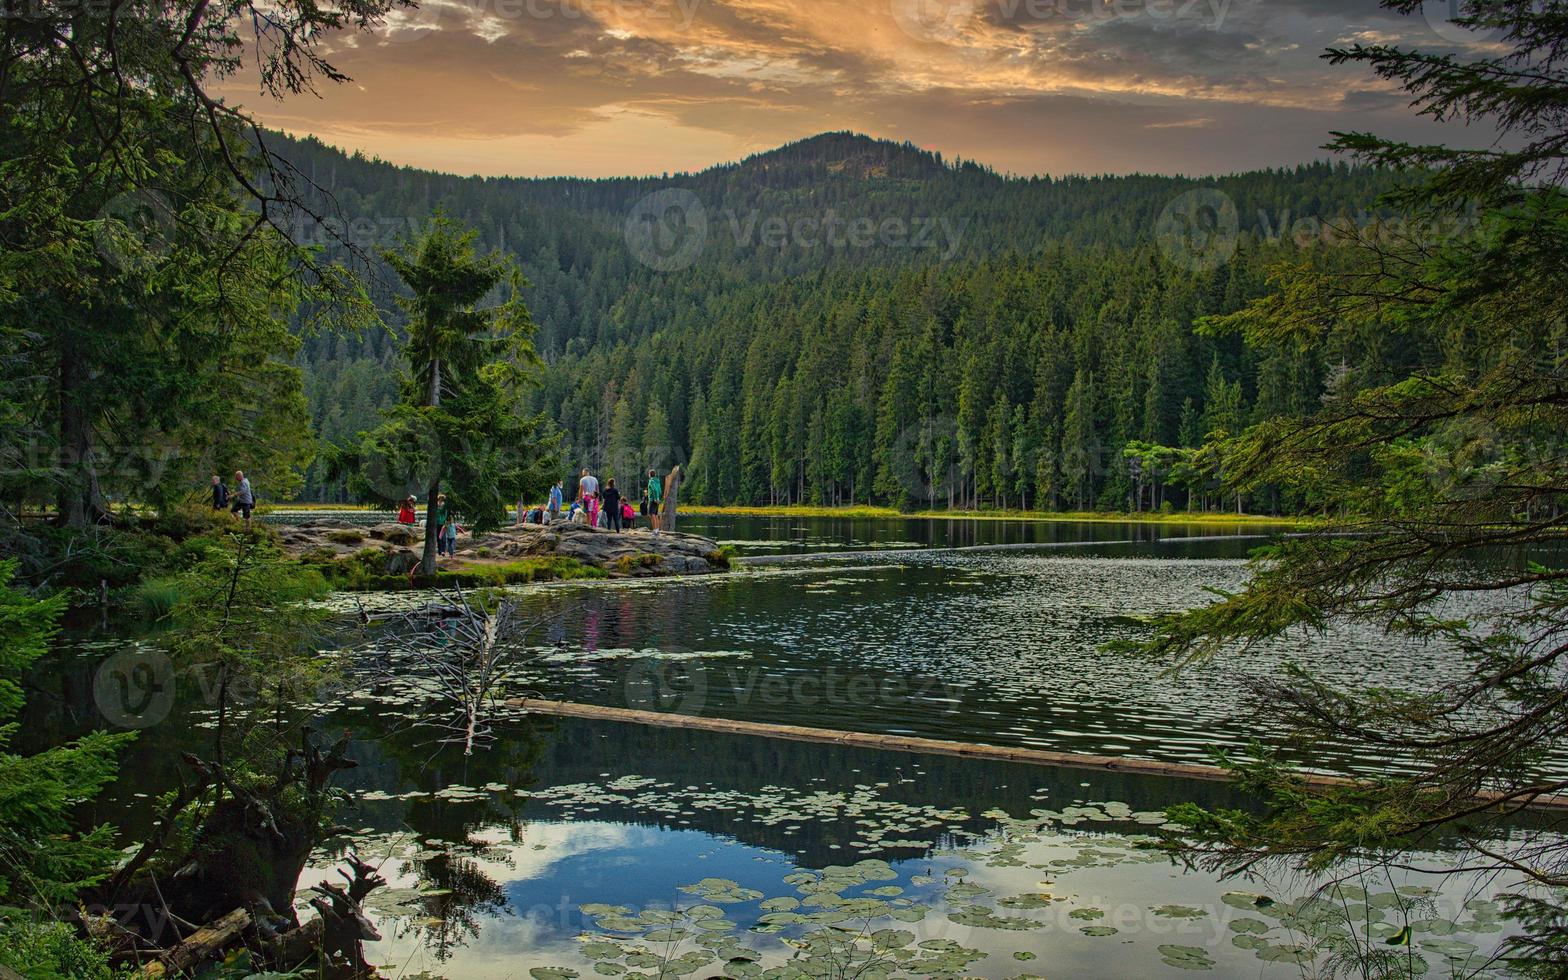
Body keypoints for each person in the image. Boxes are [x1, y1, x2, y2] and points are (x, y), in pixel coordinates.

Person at [645, 468, 663, 535]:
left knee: (652, 515)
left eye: (649, 474)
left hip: (653, 500)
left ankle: (655, 531)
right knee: (655, 515)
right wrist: (658, 498)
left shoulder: (651, 481)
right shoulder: (657, 481)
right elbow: (660, 490)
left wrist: (656, 498)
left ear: (650, 475)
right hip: (657, 500)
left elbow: (654, 489)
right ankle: (657, 530)